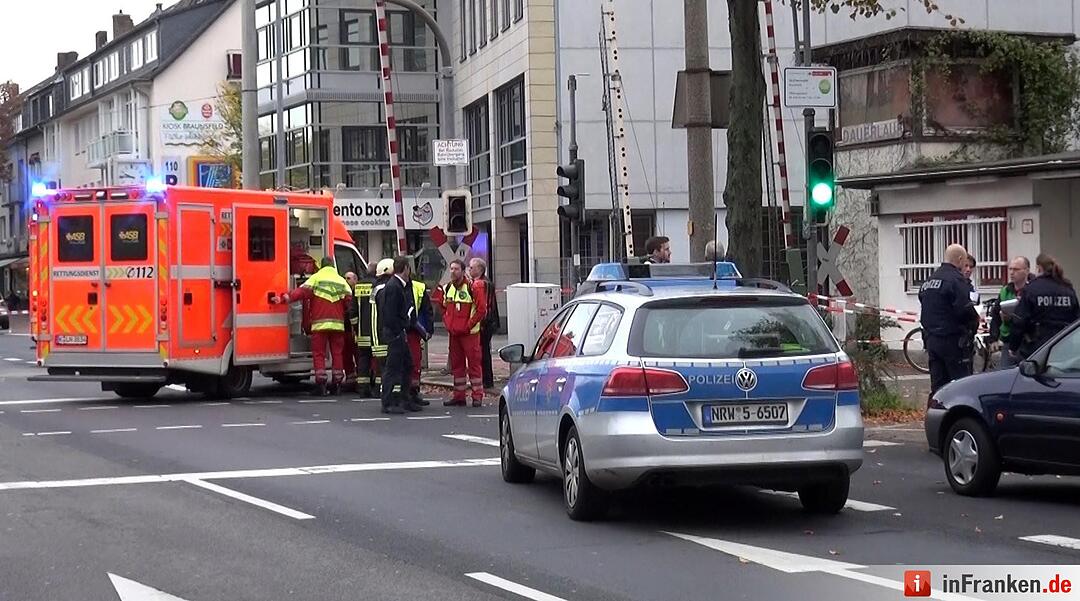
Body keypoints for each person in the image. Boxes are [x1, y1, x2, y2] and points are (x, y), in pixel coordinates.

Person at [272, 256, 352, 396]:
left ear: (322, 266)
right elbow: (349, 302)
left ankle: (321, 385)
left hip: (320, 325)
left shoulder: (316, 278)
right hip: (338, 325)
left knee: (319, 353)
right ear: (333, 265)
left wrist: (283, 298)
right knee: (337, 353)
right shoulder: (341, 281)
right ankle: (337, 383)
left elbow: (300, 293)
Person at [918, 244, 980, 396]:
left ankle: (936, 410)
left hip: (932, 341)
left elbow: (923, 303)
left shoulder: (929, 280)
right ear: (959, 259)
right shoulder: (956, 281)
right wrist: (973, 325)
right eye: (964, 262)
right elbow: (965, 310)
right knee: (961, 388)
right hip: (953, 342)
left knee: (938, 387)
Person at [433, 259, 488, 407]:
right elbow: (442, 306)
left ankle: (477, 396)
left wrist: (468, 326)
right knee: (457, 367)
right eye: (451, 268)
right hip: (454, 334)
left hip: (470, 334)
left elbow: (481, 310)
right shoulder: (448, 288)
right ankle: (459, 396)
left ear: (463, 271)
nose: (453, 271)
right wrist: (448, 323)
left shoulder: (472, 287)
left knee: (474, 365)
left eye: (456, 269)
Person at [1009, 253, 1079, 360]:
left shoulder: (1032, 288)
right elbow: (1076, 319)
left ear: (1039, 268)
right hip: (1064, 347)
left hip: (1037, 349)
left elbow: (1019, 321)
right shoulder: (1067, 288)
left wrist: (1013, 346)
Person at [376, 256, 422, 414]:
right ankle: (388, 402)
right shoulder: (394, 287)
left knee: (407, 365)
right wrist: (400, 327)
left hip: (397, 332)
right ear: (406, 268)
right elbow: (390, 313)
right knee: (392, 368)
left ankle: (404, 399)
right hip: (395, 333)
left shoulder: (396, 285)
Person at [989, 256, 1031, 368]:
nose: (1012, 272)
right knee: (1006, 372)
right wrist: (993, 338)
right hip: (1008, 340)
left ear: (1027, 271)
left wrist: (1012, 318)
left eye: (1016, 269)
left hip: (1026, 341)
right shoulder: (1005, 291)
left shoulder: (1031, 291)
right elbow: (995, 315)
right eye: (1010, 269)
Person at [469, 257, 500, 390]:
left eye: (472, 267)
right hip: (487, 322)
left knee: (483, 351)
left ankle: (486, 380)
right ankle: (485, 379)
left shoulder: (481, 284)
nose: (469, 270)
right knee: (483, 351)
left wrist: (480, 323)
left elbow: (484, 306)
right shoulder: (483, 282)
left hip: (484, 323)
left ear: (480, 269)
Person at [406, 265, 434, 407]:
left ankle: (413, 392)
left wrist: (427, 330)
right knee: (408, 363)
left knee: (415, 363)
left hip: (413, 331)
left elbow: (427, 310)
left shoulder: (418, 287)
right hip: (403, 330)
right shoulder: (395, 286)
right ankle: (407, 394)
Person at [369, 259, 395, 399]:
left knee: (384, 368)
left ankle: (385, 393)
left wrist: (375, 341)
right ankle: (392, 396)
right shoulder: (394, 287)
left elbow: (374, 317)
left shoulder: (376, 290)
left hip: (379, 336)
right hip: (392, 336)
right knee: (393, 368)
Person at [353, 263, 378, 397]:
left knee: (363, 359)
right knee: (379, 359)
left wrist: (356, 328)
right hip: (376, 332)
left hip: (362, 331)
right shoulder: (378, 285)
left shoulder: (358, 286)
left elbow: (353, 311)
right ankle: (377, 388)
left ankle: (363, 389)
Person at [342, 272, 360, 393]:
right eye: (345, 278)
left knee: (358, 355)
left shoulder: (357, 292)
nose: (346, 280)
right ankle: (350, 377)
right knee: (346, 355)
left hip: (356, 330)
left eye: (348, 278)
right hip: (346, 329)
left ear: (355, 280)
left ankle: (361, 376)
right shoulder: (344, 292)